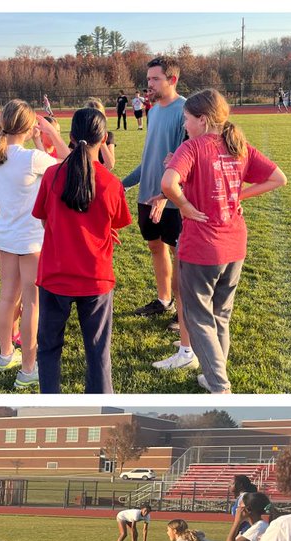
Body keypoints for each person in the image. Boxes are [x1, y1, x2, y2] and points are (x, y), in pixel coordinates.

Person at [160, 89, 288, 393]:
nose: (184, 126)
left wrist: (185, 206)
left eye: (187, 119)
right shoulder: (239, 146)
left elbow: (168, 183)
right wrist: (237, 195)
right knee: (221, 314)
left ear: (202, 120)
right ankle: (213, 376)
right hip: (234, 244)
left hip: (202, 246)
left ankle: (219, 385)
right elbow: (278, 178)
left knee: (199, 317)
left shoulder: (192, 147)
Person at [32, 105, 132, 394]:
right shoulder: (111, 183)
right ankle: (101, 410)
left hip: (55, 274)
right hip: (95, 277)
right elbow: (116, 222)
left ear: (72, 137)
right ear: (103, 140)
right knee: (98, 352)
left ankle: (49, 406)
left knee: (49, 348)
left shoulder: (52, 175)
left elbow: (43, 217)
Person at [0, 100, 68, 387]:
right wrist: (51, 136)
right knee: (32, 303)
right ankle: (29, 368)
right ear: (28, 125)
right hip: (32, 238)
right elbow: (68, 165)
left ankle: (6, 353)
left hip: (7, 234)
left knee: (7, 296)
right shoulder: (31, 158)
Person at [121, 57, 194, 374]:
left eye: (154, 79)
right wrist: (123, 183)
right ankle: (164, 300)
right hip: (146, 195)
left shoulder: (187, 111)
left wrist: (166, 195)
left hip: (173, 201)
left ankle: (184, 314)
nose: (148, 84)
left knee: (181, 257)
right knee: (156, 248)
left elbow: (189, 163)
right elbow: (151, 157)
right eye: (148, 78)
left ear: (172, 79)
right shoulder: (154, 111)